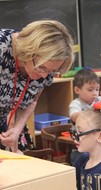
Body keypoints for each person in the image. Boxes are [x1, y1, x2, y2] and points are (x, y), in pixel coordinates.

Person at [0, 20, 74, 153]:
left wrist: (17, 129)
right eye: (42, 67)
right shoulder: (2, 47)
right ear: (29, 51)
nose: (44, 76)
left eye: (51, 71)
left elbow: (32, 100)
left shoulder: (47, 69)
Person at [68, 68, 101, 164]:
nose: (95, 93)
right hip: (80, 147)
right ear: (77, 90)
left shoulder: (99, 100)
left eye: (97, 89)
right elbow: (74, 116)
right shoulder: (76, 104)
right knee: (81, 164)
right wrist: (93, 112)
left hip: (97, 144)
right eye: (90, 89)